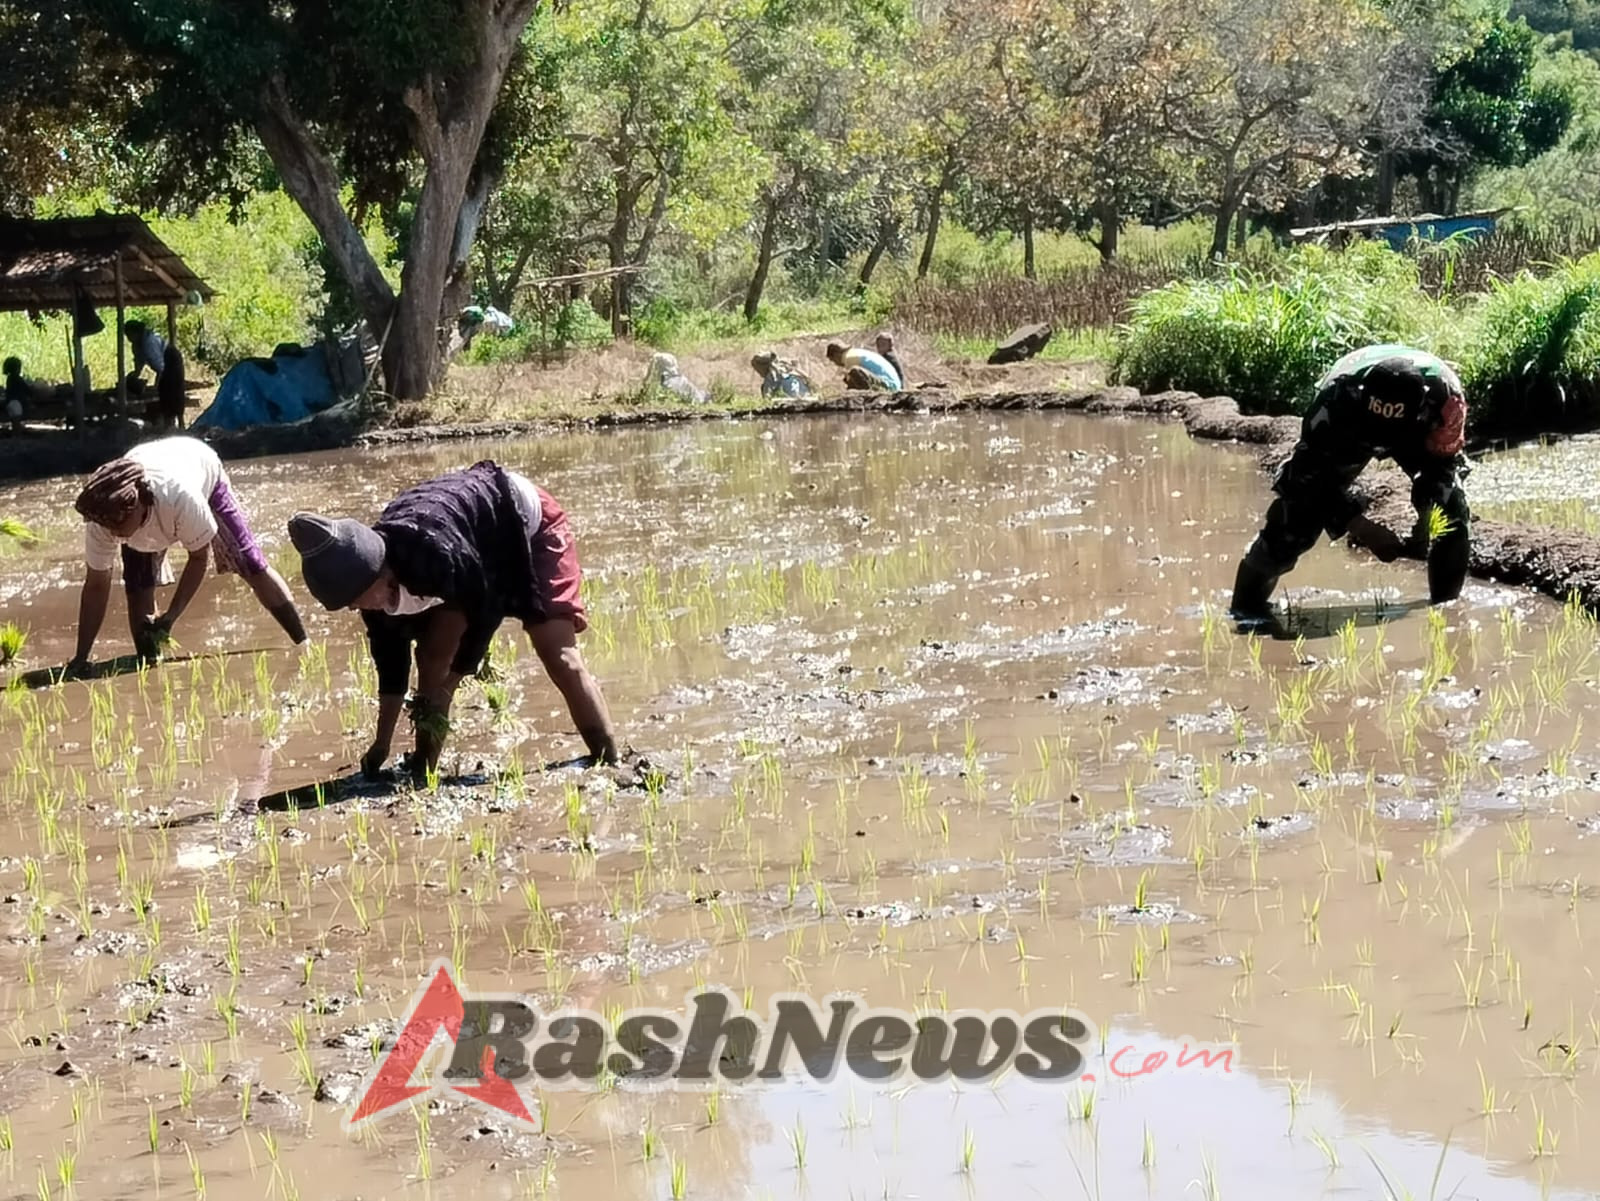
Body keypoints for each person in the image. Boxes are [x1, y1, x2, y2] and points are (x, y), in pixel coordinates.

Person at [286, 461, 618, 781]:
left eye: (354, 600)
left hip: (524, 521)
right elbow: (391, 669)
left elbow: (487, 608)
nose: (353, 609)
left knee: (558, 654)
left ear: (377, 574)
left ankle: (610, 759)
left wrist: (451, 682)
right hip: (469, 543)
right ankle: (423, 769)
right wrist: (382, 742)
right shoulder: (372, 594)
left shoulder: (436, 555)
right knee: (431, 660)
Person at [1230, 343, 1472, 616]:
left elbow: (1442, 465)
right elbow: (1305, 476)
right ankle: (1245, 613)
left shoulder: (1445, 404)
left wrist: (1426, 522)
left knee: (1450, 507)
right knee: (1294, 519)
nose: (1383, 443)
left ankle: (1445, 611)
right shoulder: (1336, 400)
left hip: (1416, 433)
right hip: (1351, 431)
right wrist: (1360, 526)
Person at [68, 435, 309, 671]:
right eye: (109, 526)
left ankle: (304, 642)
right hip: (157, 475)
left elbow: (198, 558)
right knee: (138, 585)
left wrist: (172, 615)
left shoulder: (181, 497)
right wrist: (81, 657)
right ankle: (150, 662)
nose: (115, 533)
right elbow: (96, 585)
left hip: (202, 471)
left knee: (249, 562)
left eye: (119, 526)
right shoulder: (103, 518)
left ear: (140, 503)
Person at [826, 341, 901, 391]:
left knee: (854, 371)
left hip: (889, 386)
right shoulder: (853, 352)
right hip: (891, 384)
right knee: (848, 378)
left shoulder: (849, 358)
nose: (835, 364)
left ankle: (867, 396)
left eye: (833, 360)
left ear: (836, 355)